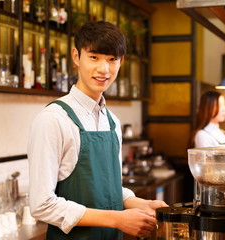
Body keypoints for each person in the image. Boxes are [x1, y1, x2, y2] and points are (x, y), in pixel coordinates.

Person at [27, 21, 167, 240]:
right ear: (76, 57)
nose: (104, 69)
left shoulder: (112, 122)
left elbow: (109, 191)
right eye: (94, 57)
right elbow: (41, 204)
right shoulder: (53, 119)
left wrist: (143, 204)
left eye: (112, 59)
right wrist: (118, 219)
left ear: (121, 62)